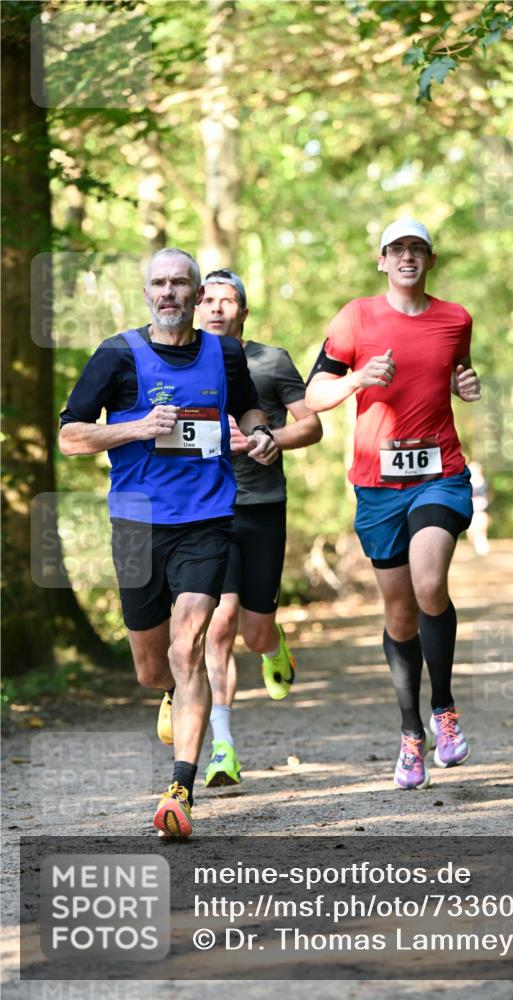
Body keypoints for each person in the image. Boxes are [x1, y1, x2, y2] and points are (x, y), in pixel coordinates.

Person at [59, 247, 278, 837]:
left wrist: (260, 435)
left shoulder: (223, 352)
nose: (170, 293)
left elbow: (249, 407)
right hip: (135, 524)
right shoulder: (115, 355)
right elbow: (70, 437)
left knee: (189, 648)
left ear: (197, 296)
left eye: (181, 284)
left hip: (206, 519)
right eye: (159, 283)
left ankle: (180, 786)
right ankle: (172, 694)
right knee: (152, 666)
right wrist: (136, 427)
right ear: (146, 291)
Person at [305, 220, 481, 791]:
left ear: (430, 260)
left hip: (441, 474)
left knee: (431, 580)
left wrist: (465, 385)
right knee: (400, 614)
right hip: (377, 486)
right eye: (397, 249)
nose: (407, 257)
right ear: (382, 260)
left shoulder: (455, 318)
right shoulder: (355, 317)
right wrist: (356, 378)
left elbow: (453, 372)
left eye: (417, 249)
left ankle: (445, 711)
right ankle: (411, 735)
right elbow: (313, 398)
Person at [196, 269, 322, 788]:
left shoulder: (270, 361)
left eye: (229, 301)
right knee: (218, 621)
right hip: (203, 508)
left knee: (253, 631)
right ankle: (222, 748)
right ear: (196, 309)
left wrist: (270, 439)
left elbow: (312, 424)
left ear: (244, 313)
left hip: (262, 504)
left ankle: (273, 647)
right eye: (209, 300)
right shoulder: (177, 365)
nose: (218, 308)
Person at [468, 460, 491, 556]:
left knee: (482, 526)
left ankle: (482, 544)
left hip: (481, 508)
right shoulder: (468, 482)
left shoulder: (484, 481)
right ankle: (474, 545)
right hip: (471, 507)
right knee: (471, 528)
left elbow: (487, 494)